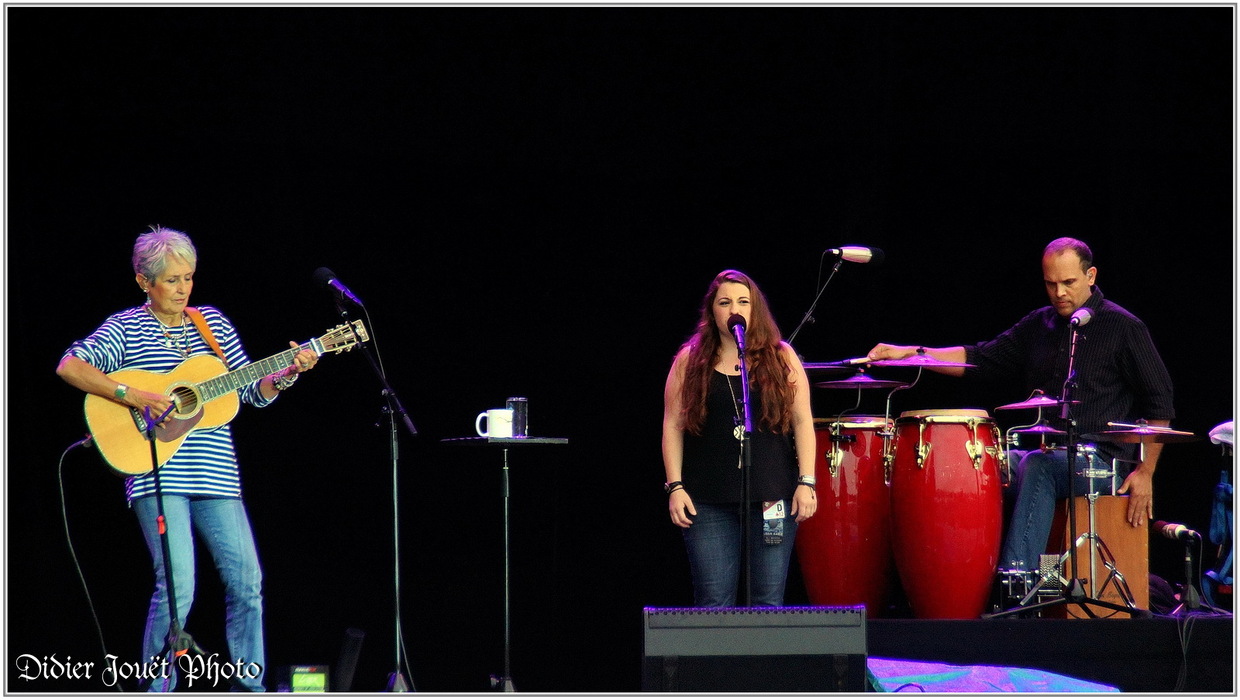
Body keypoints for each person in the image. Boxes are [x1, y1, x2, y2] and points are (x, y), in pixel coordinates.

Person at [56, 225, 319, 691]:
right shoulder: (124, 327)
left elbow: (250, 394)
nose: (183, 289)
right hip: (157, 472)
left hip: (217, 475)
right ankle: (158, 689)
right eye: (172, 280)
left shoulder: (212, 324)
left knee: (248, 584)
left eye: (189, 278)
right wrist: (134, 394)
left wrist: (285, 375)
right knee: (178, 589)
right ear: (144, 281)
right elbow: (71, 365)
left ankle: (249, 686)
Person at [866, 237, 1175, 583]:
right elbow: (980, 358)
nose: (1059, 292)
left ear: (1091, 276)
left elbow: (1159, 403)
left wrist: (1146, 473)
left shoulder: (1124, 328)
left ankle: (1017, 580)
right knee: (984, 463)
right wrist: (910, 353)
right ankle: (961, 578)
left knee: (1037, 465)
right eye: (1050, 283)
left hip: (1101, 463)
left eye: (1068, 283)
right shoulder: (1040, 324)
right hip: (1049, 453)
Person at [662, 269, 817, 607]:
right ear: (712, 311)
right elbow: (672, 425)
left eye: (743, 301)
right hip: (707, 498)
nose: (735, 308)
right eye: (725, 302)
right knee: (714, 599)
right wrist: (675, 487)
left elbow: (803, 421)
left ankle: (764, 663)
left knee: (768, 599)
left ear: (755, 309)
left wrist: (807, 481)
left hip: (772, 495)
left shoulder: (782, 356)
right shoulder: (689, 360)